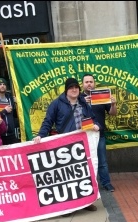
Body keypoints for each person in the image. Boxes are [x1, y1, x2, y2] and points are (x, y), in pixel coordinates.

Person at [33, 77, 100, 212]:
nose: (74, 90)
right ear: (66, 90)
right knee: (67, 175)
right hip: (65, 144)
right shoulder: (57, 104)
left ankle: (86, 202)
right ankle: (67, 207)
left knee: (84, 173)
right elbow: (48, 121)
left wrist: (97, 125)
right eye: (71, 87)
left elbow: (93, 118)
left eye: (76, 87)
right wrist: (41, 135)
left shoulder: (83, 102)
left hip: (82, 143)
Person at [81, 74, 117, 192]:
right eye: (86, 82)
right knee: (83, 163)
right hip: (82, 136)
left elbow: (112, 113)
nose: (89, 84)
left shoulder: (101, 96)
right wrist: (81, 103)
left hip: (99, 135)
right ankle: (86, 186)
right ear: (82, 84)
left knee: (102, 161)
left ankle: (106, 183)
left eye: (91, 82)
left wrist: (113, 104)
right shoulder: (77, 98)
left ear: (94, 83)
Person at [0, 78, 19, 145]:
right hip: (0, 135)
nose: (2, 86)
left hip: (12, 134)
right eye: (0, 84)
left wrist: (18, 104)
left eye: (4, 84)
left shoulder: (10, 98)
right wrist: (5, 111)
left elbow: (15, 114)